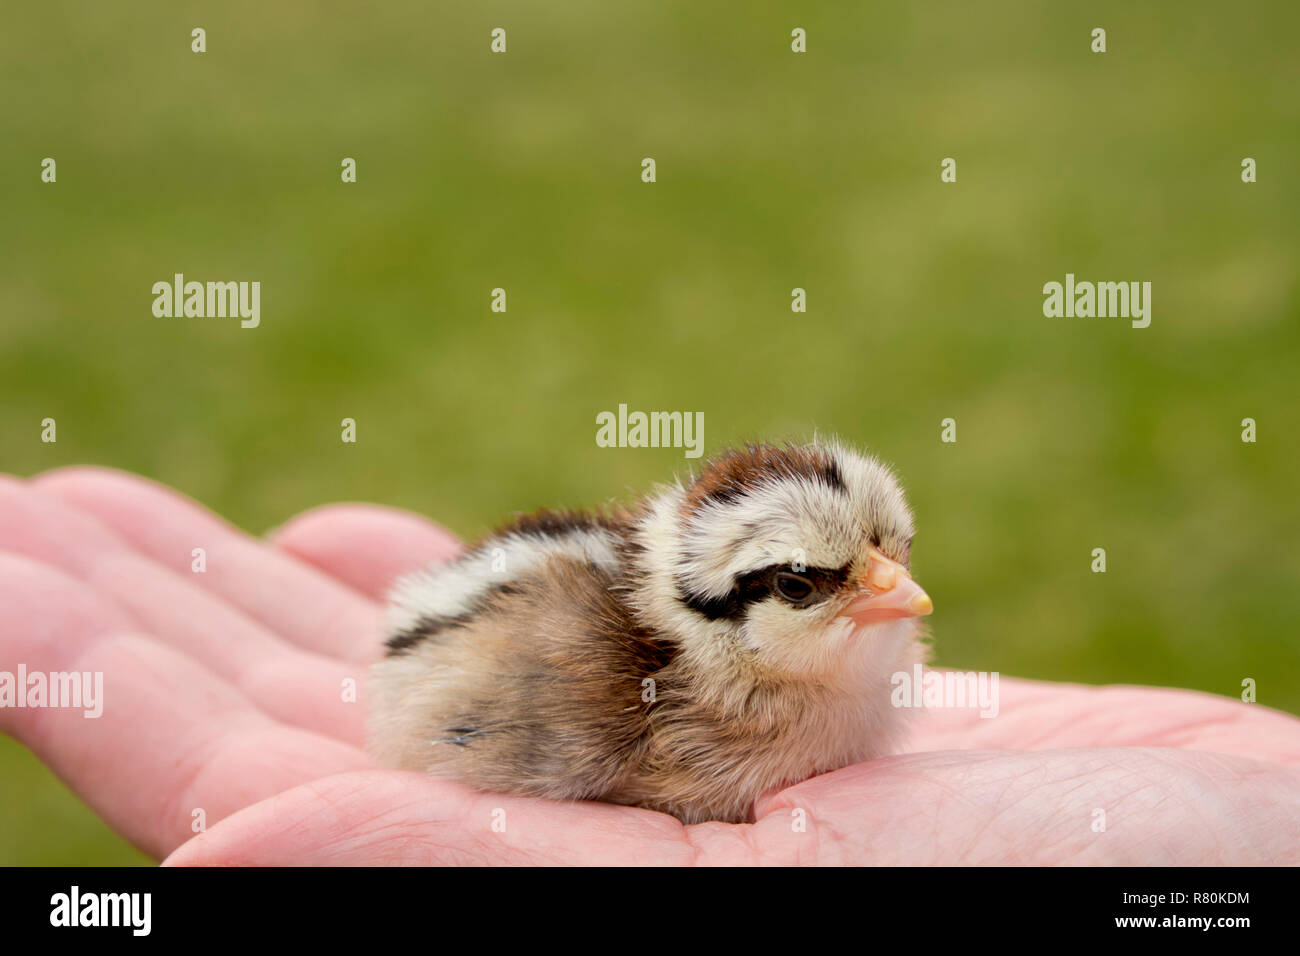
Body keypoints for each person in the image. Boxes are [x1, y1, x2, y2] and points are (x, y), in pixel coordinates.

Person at [2, 467, 1298, 865]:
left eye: (887, 556)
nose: (892, 590)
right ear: (728, 610)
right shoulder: (673, 697)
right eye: (821, 584)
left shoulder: (846, 664)